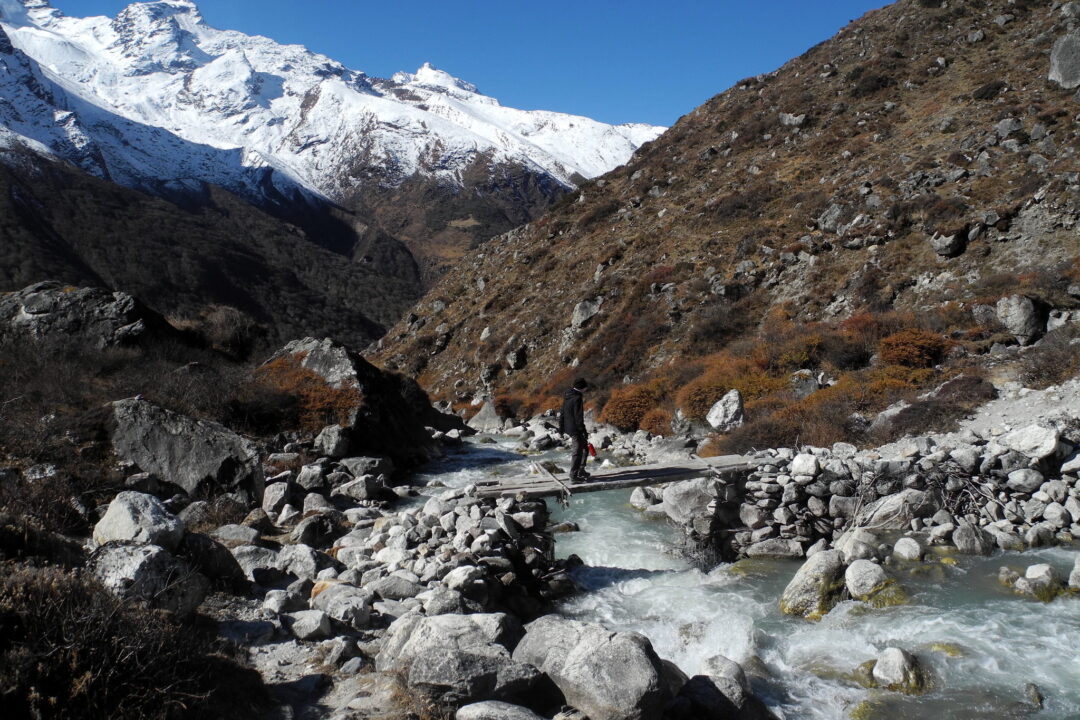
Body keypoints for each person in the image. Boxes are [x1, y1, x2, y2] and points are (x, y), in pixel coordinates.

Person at [560, 378, 591, 481]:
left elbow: (562, 413)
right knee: (577, 451)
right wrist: (583, 431)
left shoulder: (568, 395)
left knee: (585, 448)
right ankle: (573, 476)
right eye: (585, 387)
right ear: (582, 387)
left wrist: (561, 428)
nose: (586, 388)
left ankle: (581, 470)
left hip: (568, 427)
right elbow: (579, 418)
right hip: (575, 429)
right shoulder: (577, 398)